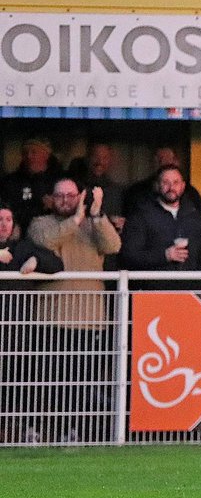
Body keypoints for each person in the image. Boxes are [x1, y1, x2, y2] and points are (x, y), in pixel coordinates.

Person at [27, 177, 122, 442]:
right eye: (60, 196)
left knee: (80, 383)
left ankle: (72, 430)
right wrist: (77, 218)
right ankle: (41, 430)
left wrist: (97, 215)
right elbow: (46, 241)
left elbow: (113, 246)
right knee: (47, 382)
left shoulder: (94, 224)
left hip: (90, 319)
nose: (65, 201)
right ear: (51, 199)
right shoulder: (40, 223)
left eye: (71, 195)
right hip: (51, 318)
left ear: (80, 196)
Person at [0, 200, 63, 443]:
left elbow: (57, 264)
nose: (3, 225)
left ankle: (14, 430)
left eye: (7, 219)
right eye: (0, 220)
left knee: (15, 382)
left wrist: (37, 262)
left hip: (15, 334)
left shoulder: (23, 248)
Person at [119, 165, 201, 290]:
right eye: (166, 182)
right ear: (157, 185)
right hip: (153, 294)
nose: (171, 187)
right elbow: (129, 256)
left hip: (192, 294)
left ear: (183, 186)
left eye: (176, 182)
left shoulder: (196, 217)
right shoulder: (141, 216)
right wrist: (164, 255)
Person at [0, 137, 64, 231]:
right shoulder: (10, 182)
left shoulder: (61, 182)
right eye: (25, 153)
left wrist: (56, 207)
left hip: (52, 234)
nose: (29, 156)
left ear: (46, 155)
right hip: (19, 235)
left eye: (34, 152)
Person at [122, 146, 201, 216]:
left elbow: (200, 222)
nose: (165, 163)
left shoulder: (191, 194)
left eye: (169, 160)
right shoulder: (137, 192)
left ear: (177, 162)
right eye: (161, 160)